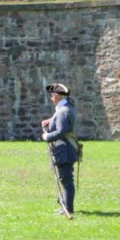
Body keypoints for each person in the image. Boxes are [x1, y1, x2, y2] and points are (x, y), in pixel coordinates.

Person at [41, 83, 79, 215]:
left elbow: (62, 131)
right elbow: (62, 118)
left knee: (66, 179)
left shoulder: (62, 111)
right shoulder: (67, 107)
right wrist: (50, 120)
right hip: (68, 148)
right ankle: (64, 205)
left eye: (52, 95)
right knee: (65, 178)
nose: (51, 97)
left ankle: (68, 208)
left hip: (65, 149)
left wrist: (47, 136)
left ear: (57, 96)